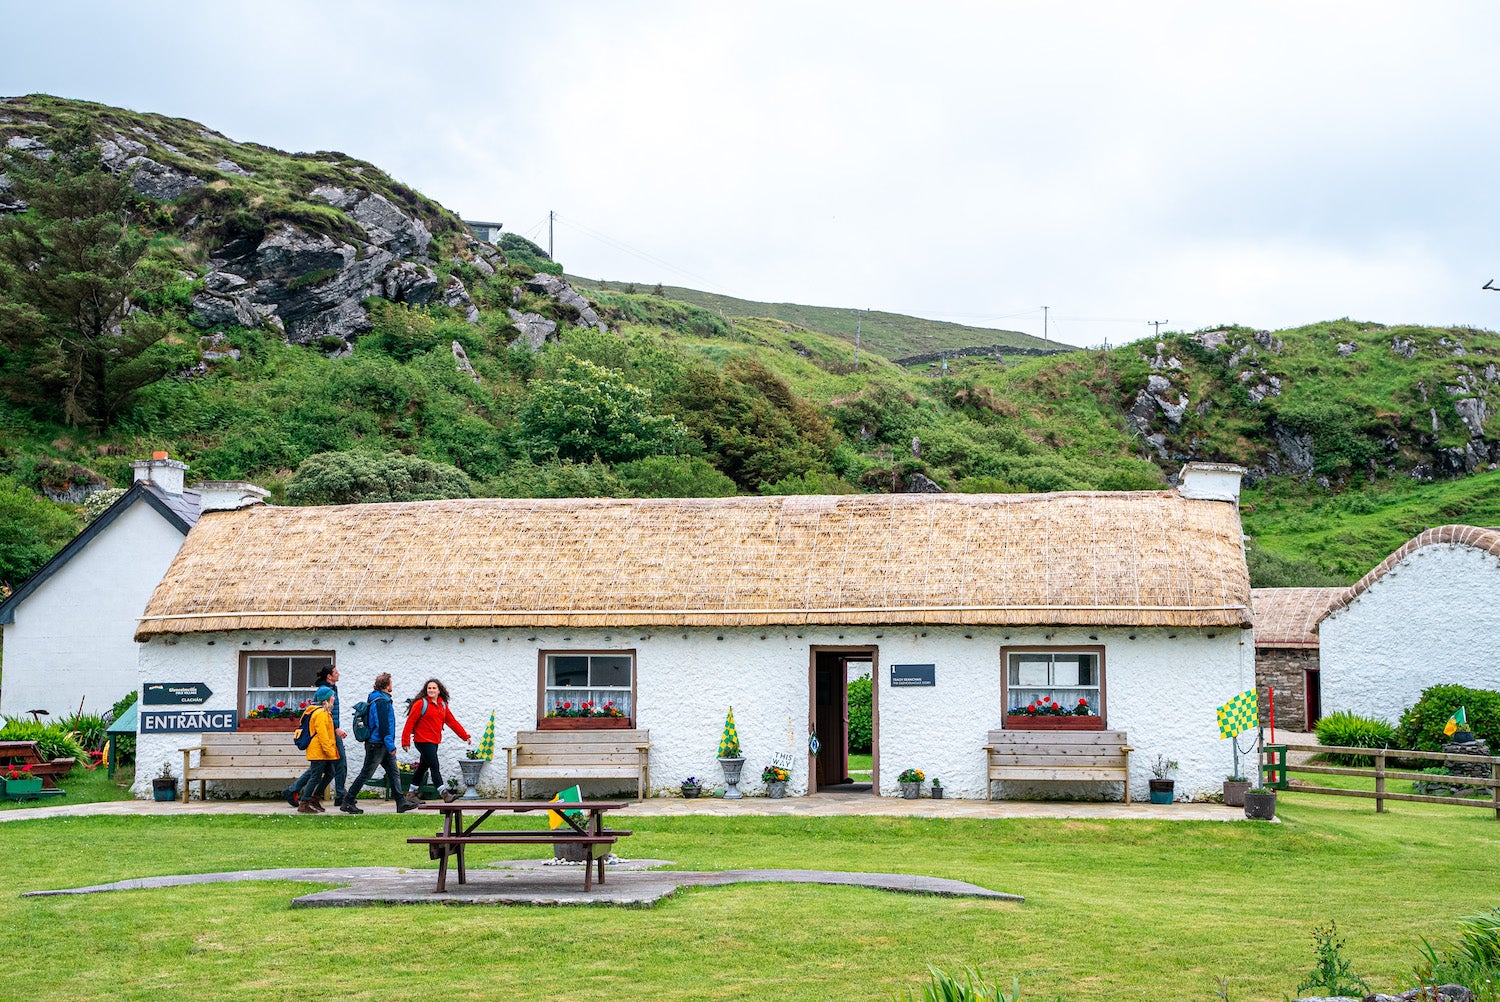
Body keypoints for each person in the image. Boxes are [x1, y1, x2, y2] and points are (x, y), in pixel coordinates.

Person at [340, 672, 413, 814]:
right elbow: (383, 726)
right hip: (378, 744)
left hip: (381, 743)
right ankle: (348, 801)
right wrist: (390, 745)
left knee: (394, 773)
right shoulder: (380, 701)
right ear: (386, 685)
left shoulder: (378, 699)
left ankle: (401, 802)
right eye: (391, 682)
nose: (392, 684)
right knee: (366, 773)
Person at [282, 665, 348, 807]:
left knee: (326, 769)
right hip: (329, 734)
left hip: (331, 731)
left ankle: (299, 791)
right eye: (336, 672)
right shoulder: (324, 692)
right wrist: (335, 729)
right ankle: (339, 795)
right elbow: (320, 719)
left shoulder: (331, 689)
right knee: (338, 763)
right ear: (329, 676)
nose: (339, 673)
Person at [400, 678, 469, 807]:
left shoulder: (442, 705)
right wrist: (405, 741)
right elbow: (410, 722)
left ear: (439, 690)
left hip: (434, 741)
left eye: (434, 688)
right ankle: (444, 793)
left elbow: (452, 722)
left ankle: (411, 794)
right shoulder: (420, 704)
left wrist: (465, 736)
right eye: (429, 688)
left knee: (422, 767)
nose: (431, 690)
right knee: (434, 765)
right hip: (422, 740)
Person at [296, 687, 339, 814]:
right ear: (326, 699)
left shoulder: (325, 713)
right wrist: (331, 753)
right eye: (332, 696)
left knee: (330, 773)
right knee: (315, 777)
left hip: (322, 752)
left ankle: (315, 798)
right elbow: (323, 736)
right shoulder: (320, 714)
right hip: (318, 752)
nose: (334, 698)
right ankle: (304, 803)